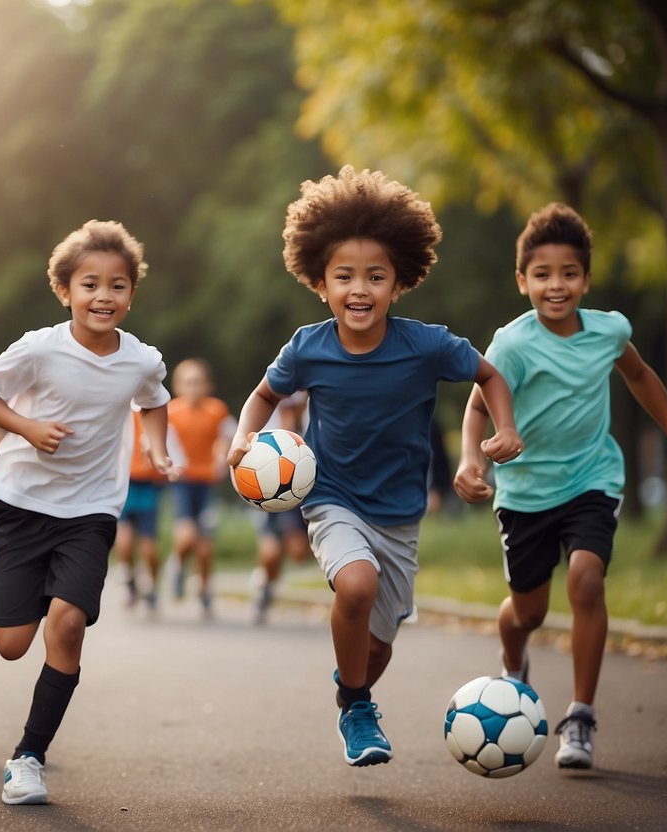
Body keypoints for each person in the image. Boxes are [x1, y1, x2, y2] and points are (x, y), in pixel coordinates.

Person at [227, 165, 522, 769]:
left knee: (377, 649)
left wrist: (504, 429)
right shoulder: (308, 346)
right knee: (354, 585)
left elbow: (489, 374)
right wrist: (244, 437)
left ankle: (351, 690)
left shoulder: (427, 345)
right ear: (320, 282)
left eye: (375, 277)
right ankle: (360, 710)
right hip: (330, 495)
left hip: (400, 512)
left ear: (399, 283)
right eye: (344, 277)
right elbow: (261, 396)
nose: (359, 289)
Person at [454, 202, 667, 770]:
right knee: (528, 612)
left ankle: (581, 716)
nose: (556, 285)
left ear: (586, 279)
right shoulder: (512, 345)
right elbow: (476, 405)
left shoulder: (608, 330)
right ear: (522, 280)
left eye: (569, 273)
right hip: (525, 495)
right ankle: (513, 657)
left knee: (586, 578)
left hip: (592, 478)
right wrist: (471, 459)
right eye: (542, 274)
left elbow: (641, 376)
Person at [0, 219, 174, 805]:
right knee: (12, 643)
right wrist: (28, 427)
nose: (103, 296)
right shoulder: (39, 347)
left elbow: (155, 401)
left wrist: (157, 448)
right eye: (90, 284)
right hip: (21, 504)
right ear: (65, 291)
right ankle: (37, 594)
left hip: (91, 511)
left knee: (68, 624)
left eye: (117, 286)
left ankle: (28, 757)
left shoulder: (140, 359)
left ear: (132, 293)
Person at [165, 358, 236, 616]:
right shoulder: (171, 411)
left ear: (208, 385)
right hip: (184, 481)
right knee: (186, 536)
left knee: (205, 545)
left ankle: (205, 590)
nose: (193, 387)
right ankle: (178, 564)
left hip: (207, 483)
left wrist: (220, 457)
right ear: (178, 386)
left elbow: (228, 435)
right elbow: (163, 441)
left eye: (198, 382)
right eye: (188, 382)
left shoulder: (217, 410)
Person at [247, 393, 312, 625]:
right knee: (271, 551)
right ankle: (264, 586)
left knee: (299, 553)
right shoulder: (268, 414)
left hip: (303, 493)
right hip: (272, 493)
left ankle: (270, 580)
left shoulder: (318, 416)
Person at [113, 410, 168, 613]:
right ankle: (129, 579)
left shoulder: (158, 407)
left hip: (149, 486)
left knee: (148, 547)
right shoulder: (119, 406)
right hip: (125, 482)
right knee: (124, 540)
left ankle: (152, 586)